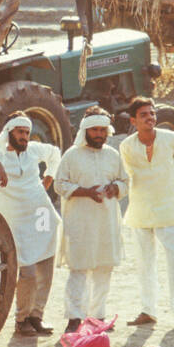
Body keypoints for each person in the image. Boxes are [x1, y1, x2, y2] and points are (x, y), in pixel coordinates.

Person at [0, 115, 62, 336]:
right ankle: (22, 318)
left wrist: (49, 177)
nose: (24, 137)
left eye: (27, 132)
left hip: (42, 217)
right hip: (17, 225)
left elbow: (54, 153)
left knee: (45, 269)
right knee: (27, 274)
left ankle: (37, 316)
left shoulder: (33, 151)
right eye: (20, 132)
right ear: (9, 132)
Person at [119, 98, 174, 332]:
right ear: (133, 121)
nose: (150, 118)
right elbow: (127, 174)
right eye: (144, 115)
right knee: (144, 261)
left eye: (152, 114)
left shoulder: (171, 139)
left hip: (169, 207)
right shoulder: (127, 146)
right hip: (140, 208)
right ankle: (148, 310)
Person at [54, 110, 127, 333]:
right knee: (79, 269)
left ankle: (98, 316)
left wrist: (117, 188)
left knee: (104, 268)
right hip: (80, 222)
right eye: (94, 130)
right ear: (85, 131)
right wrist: (85, 192)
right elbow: (59, 184)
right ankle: (75, 318)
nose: (98, 134)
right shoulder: (71, 155)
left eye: (102, 130)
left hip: (106, 221)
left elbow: (125, 181)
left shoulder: (113, 155)